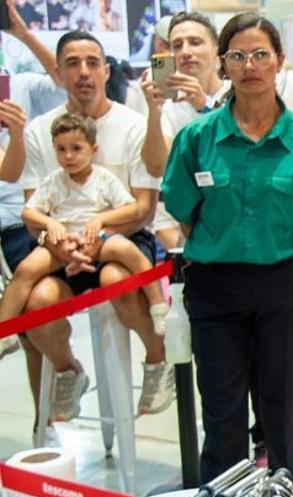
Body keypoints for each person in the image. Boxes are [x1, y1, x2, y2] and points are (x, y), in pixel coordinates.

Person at [161, 12, 293, 484]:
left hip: (283, 289)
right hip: (213, 291)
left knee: (281, 412)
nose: (250, 65)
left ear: (279, 62)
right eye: (238, 55)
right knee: (222, 415)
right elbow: (183, 211)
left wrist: (279, 249)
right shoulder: (196, 139)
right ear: (224, 65)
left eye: (261, 54)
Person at [17, 30, 172, 427]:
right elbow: (34, 208)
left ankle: (157, 359)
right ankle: (69, 370)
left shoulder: (134, 126)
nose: (83, 73)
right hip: (61, 245)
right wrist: (62, 243)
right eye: (72, 64)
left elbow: (142, 209)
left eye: (91, 63)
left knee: (117, 278)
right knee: (39, 301)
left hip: (122, 240)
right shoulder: (39, 131)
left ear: (106, 70)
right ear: (58, 72)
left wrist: (98, 230)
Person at [1, 113, 166, 347]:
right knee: (26, 269)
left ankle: (158, 304)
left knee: (127, 251)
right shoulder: (53, 182)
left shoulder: (103, 179)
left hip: (97, 239)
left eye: (76, 148)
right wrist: (50, 223)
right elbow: (28, 212)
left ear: (93, 149)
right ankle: (5, 330)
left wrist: (100, 220)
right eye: (61, 149)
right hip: (62, 242)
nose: (68, 156)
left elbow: (132, 209)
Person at [140, 10, 227, 252]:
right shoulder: (168, 107)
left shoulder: (236, 95)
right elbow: (157, 166)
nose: (185, 51)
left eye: (195, 42)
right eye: (177, 45)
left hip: (234, 215)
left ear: (216, 50)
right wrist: (153, 112)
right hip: (186, 222)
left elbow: (244, 152)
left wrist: (205, 107)